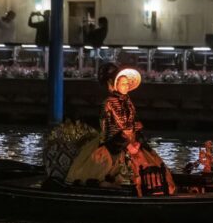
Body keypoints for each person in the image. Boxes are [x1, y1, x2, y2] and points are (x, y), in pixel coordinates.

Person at [66, 63, 175, 194]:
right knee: (108, 169)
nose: (126, 86)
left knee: (151, 165)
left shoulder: (128, 101)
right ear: (114, 84)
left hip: (132, 140)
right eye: (123, 83)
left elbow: (134, 121)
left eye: (127, 84)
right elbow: (115, 127)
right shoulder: (108, 103)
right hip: (114, 142)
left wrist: (137, 139)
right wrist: (128, 144)